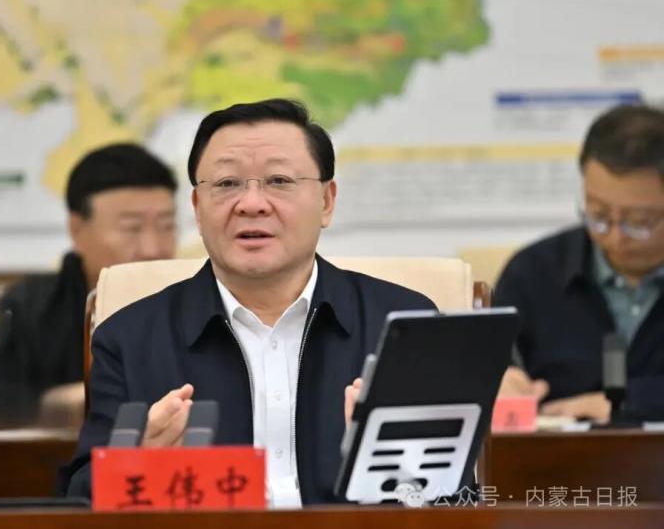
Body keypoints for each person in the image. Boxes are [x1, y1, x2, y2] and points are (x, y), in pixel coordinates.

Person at [64, 99, 436, 506]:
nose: (252, 203)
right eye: (227, 184)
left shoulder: (405, 325)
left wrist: (396, 475)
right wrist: (136, 468)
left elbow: (456, 496)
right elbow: (79, 498)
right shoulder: (129, 339)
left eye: (279, 180)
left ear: (326, 202)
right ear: (198, 209)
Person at [0, 143, 178, 428]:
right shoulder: (32, 305)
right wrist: (56, 404)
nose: (153, 249)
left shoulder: (200, 300)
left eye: (167, 226)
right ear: (77, 230)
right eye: (132, 228)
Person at [495, 103, 664, 423]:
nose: (615, 237)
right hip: (558, 453)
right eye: (598, 214)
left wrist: (630, 403)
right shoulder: (532, 273)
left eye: (639, 221)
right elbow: (493, 365)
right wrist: (503, 381)